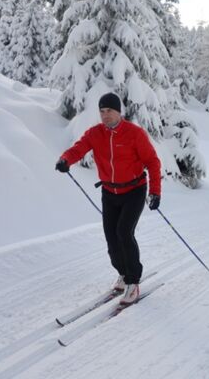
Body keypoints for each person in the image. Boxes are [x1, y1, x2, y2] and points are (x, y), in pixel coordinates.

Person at [55, 93, 161, 304]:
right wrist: (66, 159)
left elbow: (152, 162)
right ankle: (123, 273)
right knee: (111, 239)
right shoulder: (96, 134)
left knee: (124, 231)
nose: (105, 116)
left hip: (134, 190)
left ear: (118, 111)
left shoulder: (134, 134)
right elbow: (79, 148)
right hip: (109, 192)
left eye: (109, 111)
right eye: (102, 111)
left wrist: (155, 192)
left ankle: (133, 281)